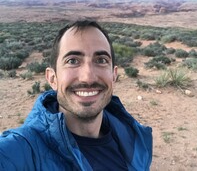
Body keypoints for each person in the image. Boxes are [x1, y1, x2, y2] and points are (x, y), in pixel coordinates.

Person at [0, 20, 152, 170]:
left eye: (101, 60)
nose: (88, 77)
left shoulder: (134, 136)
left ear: (114, 75)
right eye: (72, 61)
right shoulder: (22, 150)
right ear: (52, 78)